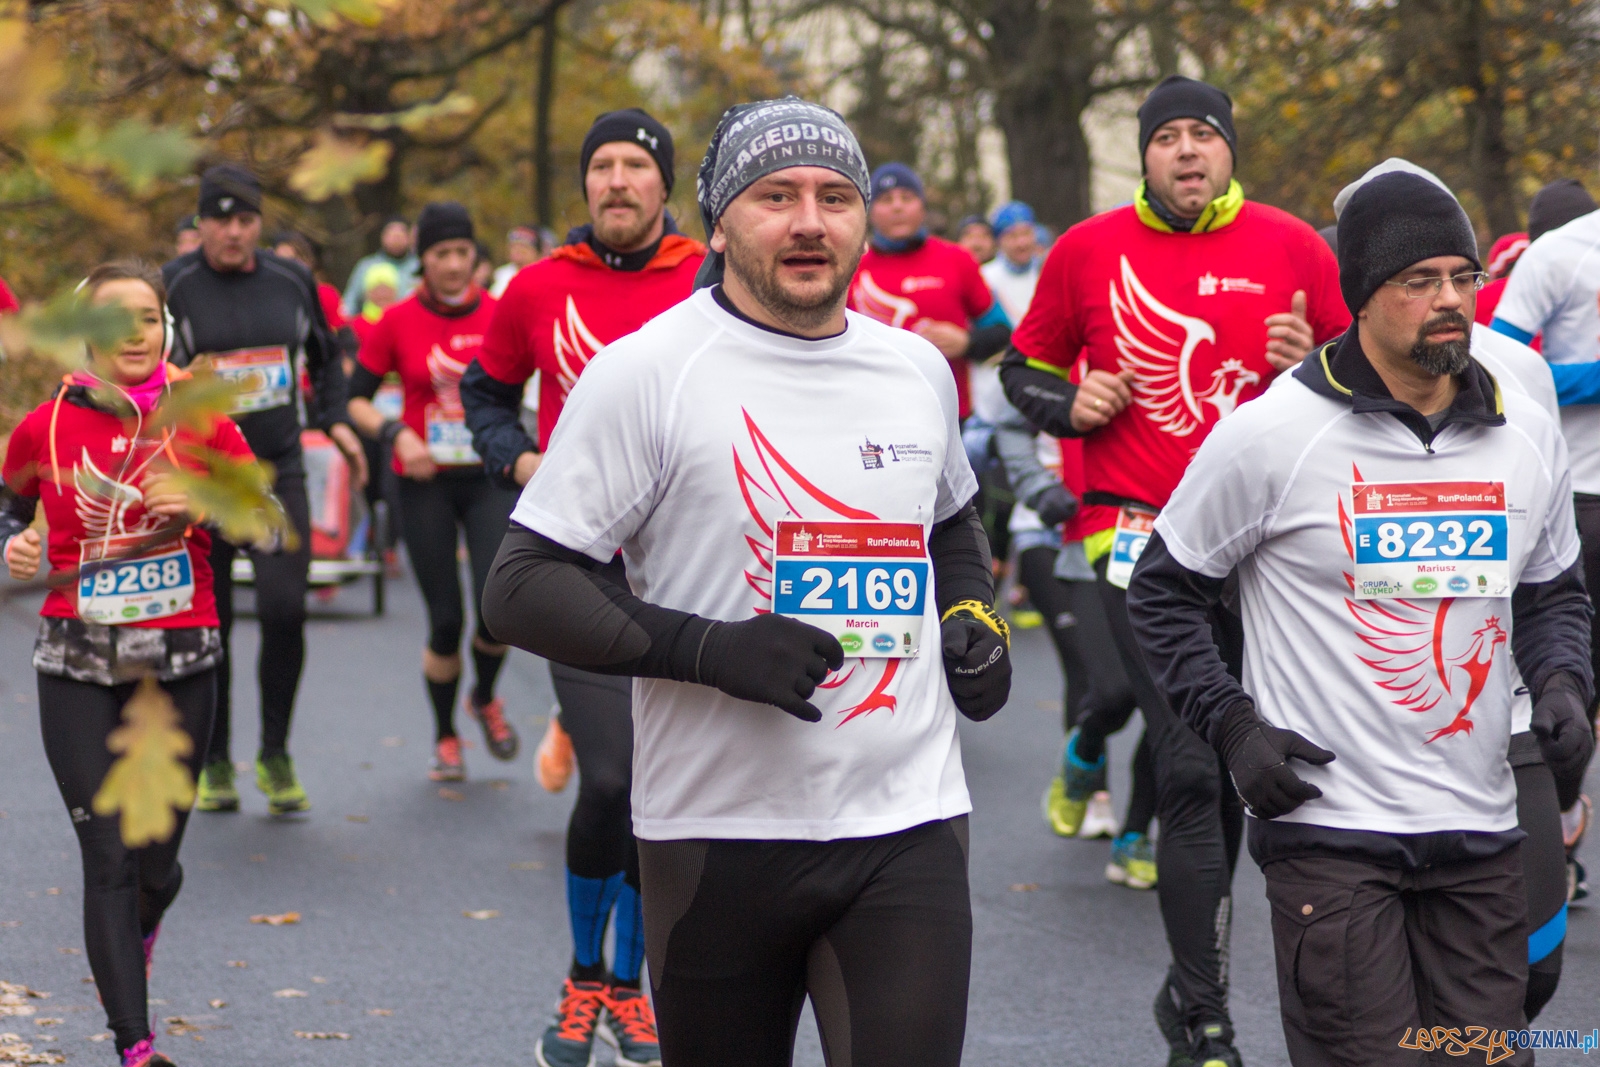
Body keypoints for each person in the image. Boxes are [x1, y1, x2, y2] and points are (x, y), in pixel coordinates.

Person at [480, 93, 1008, 1067]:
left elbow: (950, 521)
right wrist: (710, 649)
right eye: (776, 195)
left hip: (906, 819)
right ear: (718, 220)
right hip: (716, 832)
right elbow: (518, 584)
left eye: (834, 196)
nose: (810, 220)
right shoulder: (647, 373)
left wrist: (974, 613)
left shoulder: (914, 369)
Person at [1128, 167, 1594, 1067]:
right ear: (1361, 298)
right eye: (1419, 282)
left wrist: (1566, 682)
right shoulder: (1273, 432)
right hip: (1331, 834)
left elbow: (1550, 588)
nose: (1449, 301)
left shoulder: (1524, 428)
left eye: (1462, 276)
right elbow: (1163, 591)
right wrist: (1234, 729)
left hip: (1477, 827)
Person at [1000, 74, 1349, 1067]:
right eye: (1168, 138)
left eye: (1204, 135)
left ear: (1228, 150)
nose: (1187, 151)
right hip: (1138, 541)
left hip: (1269, 549)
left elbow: (1366, 372)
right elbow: (1019, 369)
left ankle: (1214, 981)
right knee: (1194, 760)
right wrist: (1069, 408)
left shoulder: (1292, 247)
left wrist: (1316, 352)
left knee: (1268, 764)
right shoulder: (1084, 251)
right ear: (1144, 155)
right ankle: (1203, 1015)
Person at [461, 107, 701, 1067]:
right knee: (611, 776)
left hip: (688, 567)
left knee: (658, 787)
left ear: (663, 185)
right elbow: (484, 392)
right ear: (586, 186)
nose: (616, 181)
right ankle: (582, 974)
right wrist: (519, 461)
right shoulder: (537, 287)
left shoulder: (708, 278)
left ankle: (629, 988)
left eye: (634, 166)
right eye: (600, 165)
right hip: (580, 564)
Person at [2, 259, 258, 1067]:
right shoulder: (41, 427)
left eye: (148, 317)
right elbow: (7, 508)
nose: (135, 334)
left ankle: (144, 918)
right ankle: (135, 1046)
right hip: (75, 662)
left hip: (179, 664)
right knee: (107, 856)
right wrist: (15, 542)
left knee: (154, 862)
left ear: (165, 330)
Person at [162, 163, 363, 815]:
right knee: (210, 621)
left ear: (258, 222)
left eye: (245, 219)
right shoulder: (176, 286)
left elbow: (328, 356)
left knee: (283, 608)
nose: (233, 232)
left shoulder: (291, 280)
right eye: (219, 219)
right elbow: (144, 368)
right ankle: (215, 758)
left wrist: (333, 419)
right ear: (201, 223)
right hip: (204, 477)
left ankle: (274, 753)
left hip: (276, 468)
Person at [346, 202, 519, 781]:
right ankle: (446, 735)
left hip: (490, 479)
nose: (451, 264)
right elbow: (355, 399)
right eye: (440, 254)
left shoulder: (502, 313)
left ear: (475, 257)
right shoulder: (396, 320)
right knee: (446, 620)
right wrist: (396, 435)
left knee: (499, 610)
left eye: (461, 253)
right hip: (424, 484)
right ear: (422, 260)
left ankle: (484, 696)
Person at [1491, 176, 1600, 906]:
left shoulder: (1557, 252)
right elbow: (1494, 366)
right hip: (1579, 491)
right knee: (1570, 680)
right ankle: (1556, 814)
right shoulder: (1557, 256)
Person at [849, 163, 1011, 420]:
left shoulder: (957, 259)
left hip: (953, 417)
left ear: (922, 207)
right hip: (877, 416)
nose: (897, 206)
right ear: (869, 212)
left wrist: (967, 342)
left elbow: (1003, 332)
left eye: (907, 197)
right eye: (886, 199)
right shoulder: (851, 269)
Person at [341, 215, 418, 316]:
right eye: (391, 234)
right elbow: (350, 303)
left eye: (400, 235)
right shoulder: (366, 266)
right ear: (382, 237)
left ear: (409, 238)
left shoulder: (418, 267)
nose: (396, 239)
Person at [491, 223, 543, 297]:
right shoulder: (502, 276)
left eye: (524, 246)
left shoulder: (543, 277)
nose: (517, 250)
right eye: (514, 246)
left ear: (537, 253)